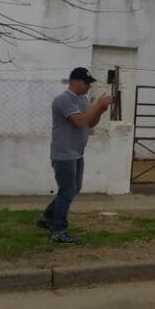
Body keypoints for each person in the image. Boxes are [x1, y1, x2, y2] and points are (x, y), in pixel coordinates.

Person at [37, 67, 112, 243]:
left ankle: (47, 217)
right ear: (75, 81)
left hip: (77, 153)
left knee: (73, 189)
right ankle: (59, 231)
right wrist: (97, 106)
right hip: (64, 154)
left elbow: (90, 123)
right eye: (87, 83)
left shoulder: (83, 100)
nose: (88, 87)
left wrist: (100, 110)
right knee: (67, 191)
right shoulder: (63, 100)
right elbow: (78, 122)